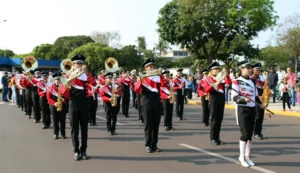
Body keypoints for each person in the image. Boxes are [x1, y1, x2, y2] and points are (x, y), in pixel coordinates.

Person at [231, 60, 265, 168]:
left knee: (250, 135)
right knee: (245, 133)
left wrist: (260, 104)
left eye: (251, 68)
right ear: (241, 69)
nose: (250, 70)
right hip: (242, 109)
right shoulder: (237, 81)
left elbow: (255, 96)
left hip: (252, 109)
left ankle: (248, 156)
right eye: (248, 68)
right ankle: (241, 157)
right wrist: (243, 99)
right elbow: (234, 97)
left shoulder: (253, 81)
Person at [67, 54, 94, 160]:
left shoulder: (86, 76)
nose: (79, 65)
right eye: (77, 63)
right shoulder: (68, 76)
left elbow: (93, 84)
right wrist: (68, 81)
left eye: (81, 63)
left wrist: (86, 73)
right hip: (73, 104)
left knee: (84, 129)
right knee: (74, 129)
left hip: (84, 104)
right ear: (73, 65)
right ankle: (76, 151)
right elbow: (64, 92)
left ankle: (84, 150)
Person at [134, 58, 163, 153]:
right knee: (148, 125)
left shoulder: (157, 77)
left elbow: (163, 85)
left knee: (156, 124)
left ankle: (154, 144)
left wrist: (161, 75)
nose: (151, 67)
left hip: (156, 102)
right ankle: (148, 144)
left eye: (152, 66)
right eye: (149, 66)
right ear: (145, 68)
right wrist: (140, 80)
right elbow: (136, 90)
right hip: (146, 103)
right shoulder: (142, 77)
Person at [202, 62, 231, 146]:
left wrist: (227, 75)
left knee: (219, 119)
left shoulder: (221, 77)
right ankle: (213, 138)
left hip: (221, 99)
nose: (217, 70)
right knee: (214, 119)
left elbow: (228, 84)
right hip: (214, 98)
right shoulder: (207, 78)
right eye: (216, 69)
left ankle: (217, 137)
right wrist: (215, 83)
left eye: (218, 69)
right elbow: (206, 90)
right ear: (211, 70)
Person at [47, 73, 69, 139]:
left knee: (62, 120)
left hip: (63, 105)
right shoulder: (50, 87)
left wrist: (64, 98)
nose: (57, 81)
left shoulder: (64, 87)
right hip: (54, 106)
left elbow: (67, 96)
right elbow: (48, 97)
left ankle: (63, 133)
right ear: (54, 80)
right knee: (55, 120)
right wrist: (54, 103)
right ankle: (56, 133)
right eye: (56, 79)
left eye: (59, 79)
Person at [251, 63, 266, 140]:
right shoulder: (251, 78)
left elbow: (264, 87)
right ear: (253, 70)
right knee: (257, 117)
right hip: (255, 99)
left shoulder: (261, 78)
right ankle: (256, 133)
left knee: (261, 117)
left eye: (259, 70)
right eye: (257, 70)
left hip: (261, 98)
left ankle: (259, 132)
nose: (259, 71)